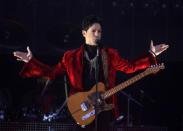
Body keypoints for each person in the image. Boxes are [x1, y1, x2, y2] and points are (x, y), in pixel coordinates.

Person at [13, 15, 169, 130]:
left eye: (99, 31)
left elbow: (129, 67)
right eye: (93, 30)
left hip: (103, 106)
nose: (97, 34)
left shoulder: (109, 54)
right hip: (81, 107)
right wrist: (31, 62)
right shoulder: (70, 57)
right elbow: (52, 73)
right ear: (83, 33)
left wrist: (151, 54)